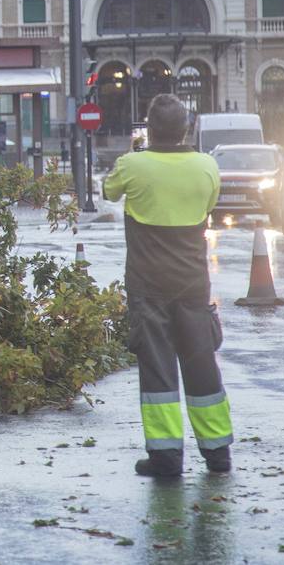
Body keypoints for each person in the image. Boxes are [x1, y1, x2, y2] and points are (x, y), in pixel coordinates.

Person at [102, 93, 231, 478]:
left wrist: (136, 151)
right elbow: (209, 205)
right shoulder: (207, 166)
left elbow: (109, 192)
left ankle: (166, 457)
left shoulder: (132, 165)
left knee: (158, 371)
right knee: (202, 366)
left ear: (150, 129)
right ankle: (218, 453)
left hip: (149, 286)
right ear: (188, 128)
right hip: (193, 285)